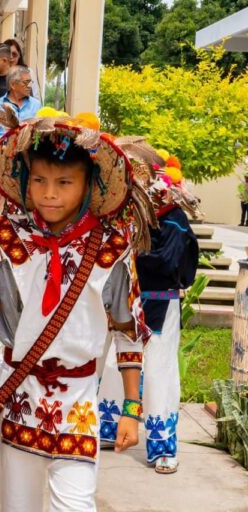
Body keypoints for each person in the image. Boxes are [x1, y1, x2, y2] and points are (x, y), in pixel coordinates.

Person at [0, 110, 151, 511]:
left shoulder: (110, 248)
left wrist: (131, 410)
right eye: (39, 180)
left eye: (64, 183)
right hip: (17, 395)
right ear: (25, 180)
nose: (50, 193)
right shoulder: (1, 238)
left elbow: (127, 330)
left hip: (79, 404)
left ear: (90, 185)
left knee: (76, 505)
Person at [97, 146, 199, 475]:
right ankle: (110, 428)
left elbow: (169, 264)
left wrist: (130, 253)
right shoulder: (124, 216)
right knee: (116, 364)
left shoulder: (174, 219)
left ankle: (163, 445)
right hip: (125, 302)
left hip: (159, 302)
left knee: (158, 372)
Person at [0, 66, 42, 152]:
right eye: (26, 82)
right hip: (1, 157)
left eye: (30, 82)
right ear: (12, 84)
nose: (29, 86)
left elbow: (38, 138)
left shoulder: (36, 105)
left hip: (27, 156)